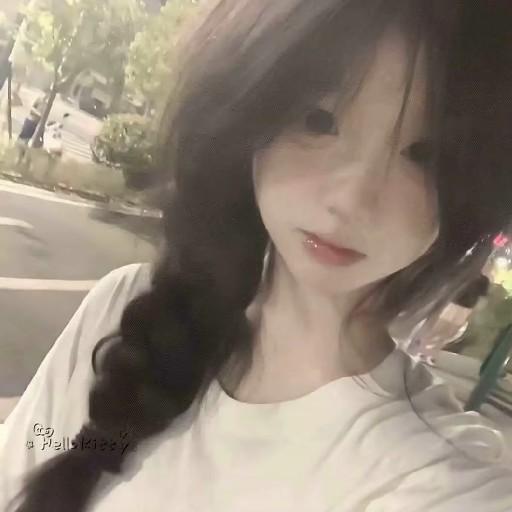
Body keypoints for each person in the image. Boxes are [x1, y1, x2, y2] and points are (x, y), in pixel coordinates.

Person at [1, 1, 512, 511]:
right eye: (318, 120)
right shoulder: (122, 309)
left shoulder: (438, 482)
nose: (351, 199)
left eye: (424, 155)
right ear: (246, 112)